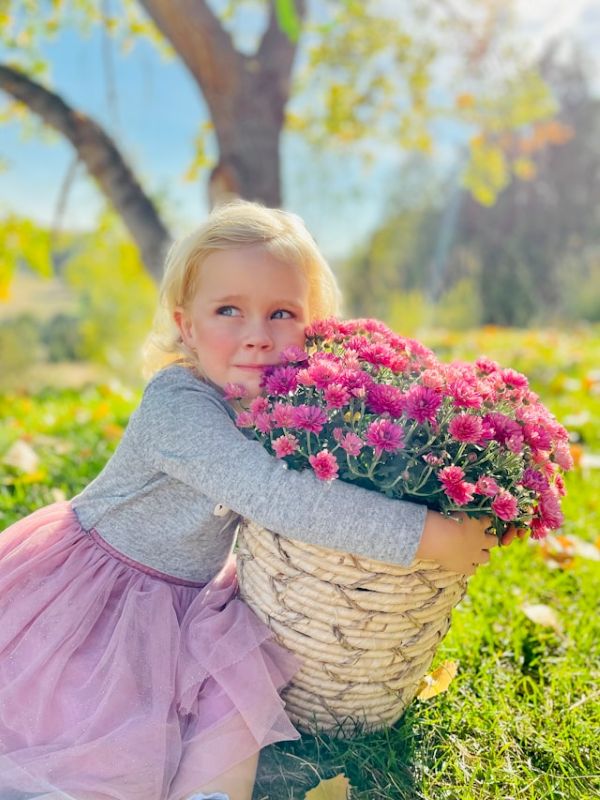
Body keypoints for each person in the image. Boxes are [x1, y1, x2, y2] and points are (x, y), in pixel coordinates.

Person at [0, 200, 520, 800]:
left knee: (231, 691)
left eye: (282, 313)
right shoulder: (178, 402)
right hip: (103, 592)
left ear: (315, 326)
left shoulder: (285, 404)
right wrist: (425, 535)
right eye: (228, 311)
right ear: (186, 326)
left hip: (189, 596)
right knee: (93, 716)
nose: (257, 336)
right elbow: (275, 495)